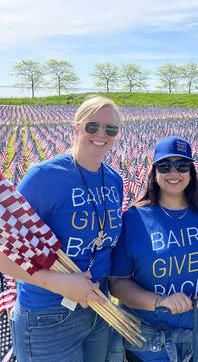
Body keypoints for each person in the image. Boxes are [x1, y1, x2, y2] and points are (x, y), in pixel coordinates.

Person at [0, 95, 124, 362]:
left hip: (98, 309)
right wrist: (56, 281)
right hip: (47, 313)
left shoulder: (114, 180)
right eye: (92, 126)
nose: (101, 134)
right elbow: (6, 251)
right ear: (76, 128)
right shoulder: (44, 177)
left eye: (110, 129)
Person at [109, 135, 198, 362]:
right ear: (154, 173)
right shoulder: (134, 219)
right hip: (150, 345)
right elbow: (117, 283)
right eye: (165, 166)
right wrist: (159, 301)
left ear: (191, 172)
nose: (173, 173)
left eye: (182, 165)